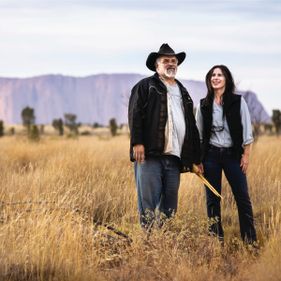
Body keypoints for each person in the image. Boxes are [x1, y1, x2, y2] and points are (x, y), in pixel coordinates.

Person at [128, 43, 202, 229]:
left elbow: (191, 127)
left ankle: (164, 244)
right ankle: (148, 245)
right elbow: (135, 114)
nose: (170, 64)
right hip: (150, 155)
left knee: (170, 207)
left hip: (174, 159)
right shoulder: (146, 86)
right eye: (166, 61)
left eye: (173, 61)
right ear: (157, 65)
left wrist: (196, 158)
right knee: (148, 205)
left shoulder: (183, 92)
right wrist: (137, 142)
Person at [195, 64, 257, 244]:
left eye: (219, 75)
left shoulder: (238, 102)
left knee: (242, 198)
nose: (216, 78)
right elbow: (199, 136)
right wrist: (198, 161)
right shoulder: (203, 105)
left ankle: (250, 242)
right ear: (209, 80)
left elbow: (247, 132)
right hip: (211, 157)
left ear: (226, 79)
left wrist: (246, 156)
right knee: (212, 200)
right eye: (213, 75)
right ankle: (216, 242)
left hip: (232, 155)